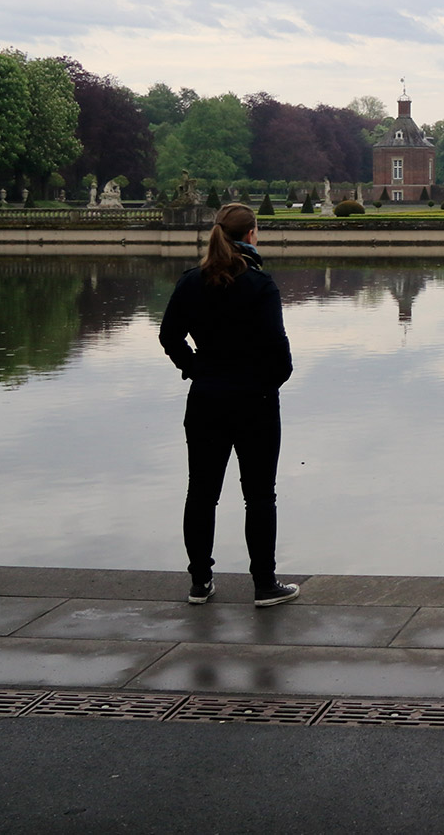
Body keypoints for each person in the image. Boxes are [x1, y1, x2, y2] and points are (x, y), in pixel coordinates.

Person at [158, 201, 298, 607]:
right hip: (254, 400)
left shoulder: (191, 282)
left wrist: (197, 369)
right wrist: (266, 384)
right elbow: (280, 353)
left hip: (206, 399)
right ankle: (264, 585)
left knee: (201, 493)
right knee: (259, 495)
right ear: (252, 235)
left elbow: (169, 337)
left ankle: (200, 582)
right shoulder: (260, 285)